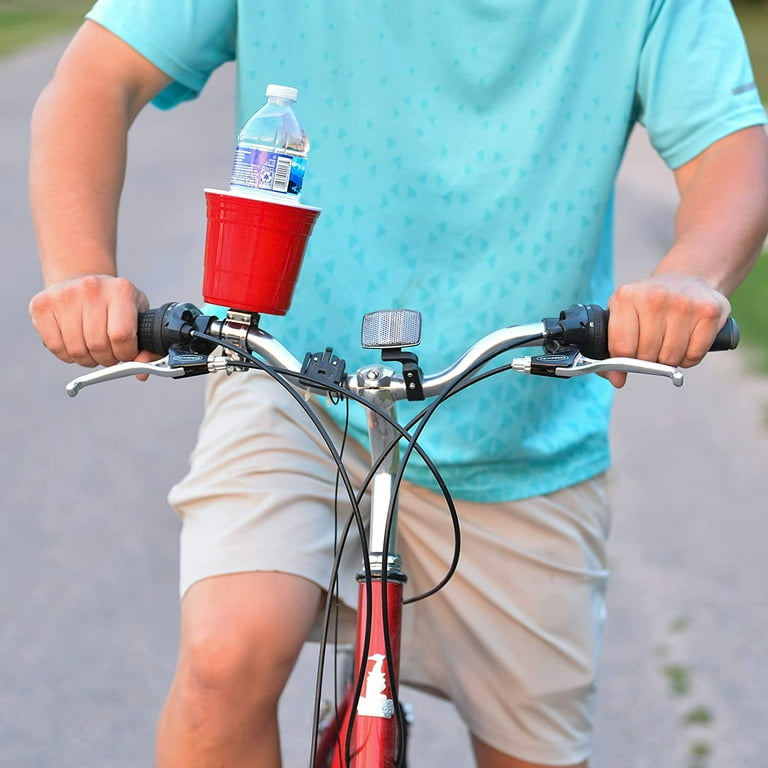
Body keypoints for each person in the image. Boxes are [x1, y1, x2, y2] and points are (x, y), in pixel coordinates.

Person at [28, 1, 768, 766]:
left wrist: (688, 276)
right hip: (295, 383)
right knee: (226, 659)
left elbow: (730, 141)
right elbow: (97, 75)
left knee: (535, 752)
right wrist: (81, 270)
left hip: (518, 428)